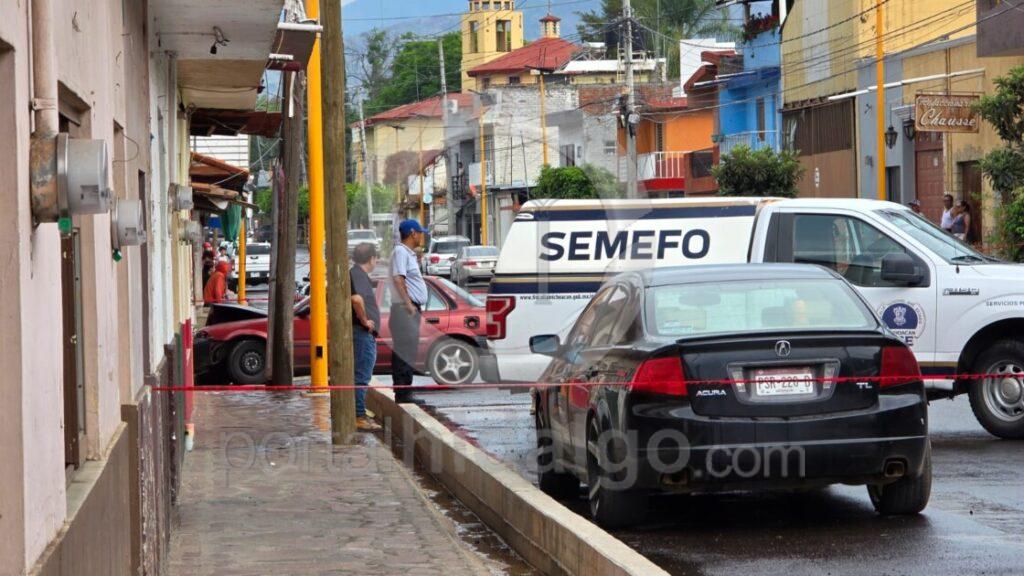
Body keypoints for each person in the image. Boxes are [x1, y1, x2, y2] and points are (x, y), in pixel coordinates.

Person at [389, 219, 428, 403]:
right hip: (405, 310)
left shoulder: (408, 253)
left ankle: (406, 391)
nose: (421, 236)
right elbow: (398, 279)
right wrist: (409, 304)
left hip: (409, 309)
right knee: (404, 352)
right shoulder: (400, 252)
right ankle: (403, 394)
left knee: (409, 351)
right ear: (413, 233)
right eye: (420, 233)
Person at [350, 243, 382, 431]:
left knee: (359, 375)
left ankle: (358, 413)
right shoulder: (359, 275)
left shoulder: (355, 274)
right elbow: (356, 299)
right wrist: (365, 321)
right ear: (371, 259)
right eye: (376, 258)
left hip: (360, 333)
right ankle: (359, 416)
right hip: (362, 333)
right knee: (362, 376)